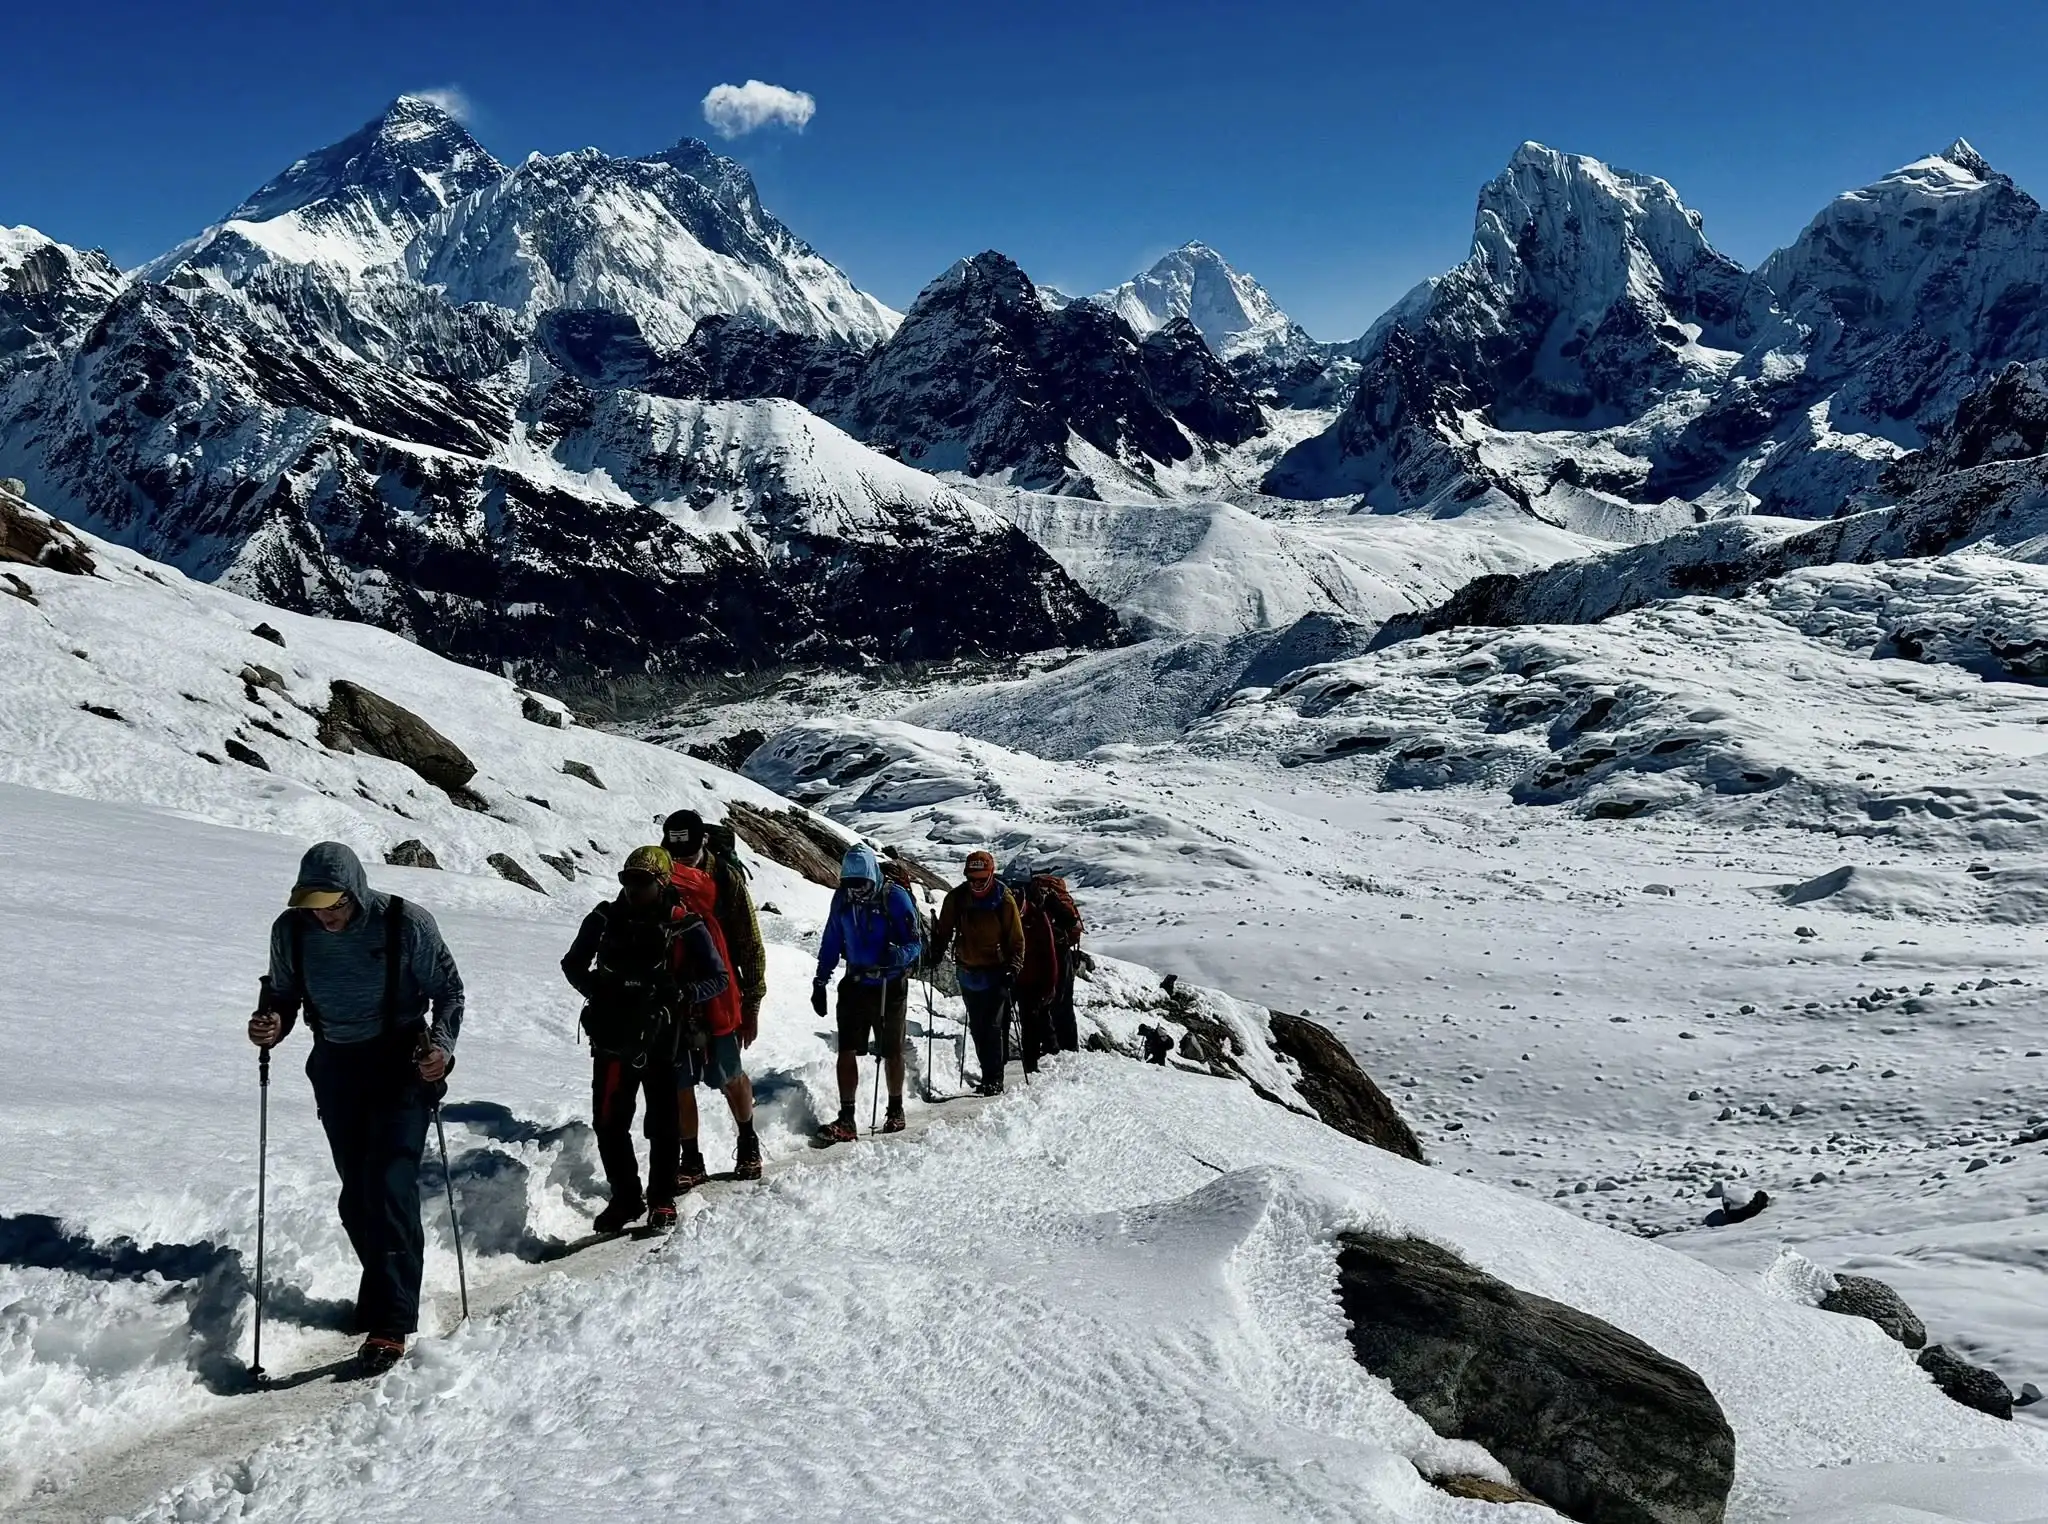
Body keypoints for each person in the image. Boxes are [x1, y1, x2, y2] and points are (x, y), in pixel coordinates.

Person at [247, 842, 465, 1375]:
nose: (325, 916)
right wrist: (270, 1022)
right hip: (337, 1065)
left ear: (356, 892)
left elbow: (450, 992)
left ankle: (391, 1322)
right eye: (314, 905)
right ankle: (382, 1289)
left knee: (390, 1184)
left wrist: (441, 1047)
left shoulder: (404, 923)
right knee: (357, 1196)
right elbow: (282, 993)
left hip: (401, 1059)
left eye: (334, 905)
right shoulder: (290, 930)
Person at [561, 846, 729, 1234]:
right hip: (613, 1037)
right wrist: (599, 993)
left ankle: (660, 1198)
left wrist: (682, 995)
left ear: (663, 882)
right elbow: (572, 964)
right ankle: (626, 1198)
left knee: (662, 1123)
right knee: (609, 1122)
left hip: (663, 1039)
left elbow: (717, 977)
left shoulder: (683, 923)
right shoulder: (604, 917)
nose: (634, 888)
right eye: (628, 879)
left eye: (642, 881)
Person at [812, 845, 922, 1141]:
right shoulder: (843, 899)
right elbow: (831, 941)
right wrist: (820, 981)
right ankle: (846, 1118)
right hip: (856, 982)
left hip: (890, 985)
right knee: (846, 1048)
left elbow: (916, 943)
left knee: (891, 1050)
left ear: (873, 877)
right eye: (850, 884)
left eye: (862, 884)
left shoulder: (895, 898)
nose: (857, 891)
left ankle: (895, 1108)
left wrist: (897, 957)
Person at [669, 860, 761, 1185]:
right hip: (686, 1011)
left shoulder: (697, 921)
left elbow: (746, 948)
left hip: (713, 1009)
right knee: (683, 1084)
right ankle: (696, 1158)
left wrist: (752, 1002)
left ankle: (745, 1141)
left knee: (726, 1076)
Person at [661, 809, 767, 1046]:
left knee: (727, 1073)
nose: (682, 861)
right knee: (676, 1077)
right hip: (670, 987)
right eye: (676, 856)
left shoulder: (725, 877)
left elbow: (749, 940)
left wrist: (752, 1005)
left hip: (720, 985)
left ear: (704, 841)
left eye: (689, 855)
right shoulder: (657, 873)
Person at [927, 850, 1023, 1096]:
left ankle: (994, 1078)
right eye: (972, 878)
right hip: (968, 971)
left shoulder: (1004, 899)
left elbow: (1016, 939)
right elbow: (945, 929)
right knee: (980, 1026)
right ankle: (991, 1073)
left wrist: (1013, 968)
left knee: (990, 1025)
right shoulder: (956, 898)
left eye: (981, 878)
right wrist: (936, 951)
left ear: (991, 874)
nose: (976, 883)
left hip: (997, 971)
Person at [1013, 873, 1064, 1075]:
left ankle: (1032, 1062)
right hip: (1027, 978)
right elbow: (1050, 954)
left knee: (1030, 1023)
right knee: (1033, 1021)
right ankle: (1040, 1058)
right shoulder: (1035, 916)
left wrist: (1050, 984)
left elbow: (1049, 954)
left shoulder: (1035, 917)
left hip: (1028, 980)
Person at [1031, 872, 1085, 1052]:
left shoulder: (1038, 898)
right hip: (1064, 952)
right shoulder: (1058, 899)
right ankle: (1069, 1046)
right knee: (1063, 1003)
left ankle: (1051, 1045)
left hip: (1047, 953)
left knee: (1046, 1000)